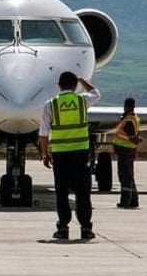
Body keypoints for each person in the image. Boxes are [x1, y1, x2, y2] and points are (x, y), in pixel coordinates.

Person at [39, 71, 101, 240]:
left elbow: (43, 133)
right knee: (82, 191)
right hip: (80, 153)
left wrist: (45, 154)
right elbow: (96, 93)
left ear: (59, 85)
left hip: (60, 155)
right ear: (75, 85)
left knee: (61, 192)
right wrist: (83, 81)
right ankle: (86, 227)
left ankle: (63, 228)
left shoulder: (50, 105)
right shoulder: (82, 101)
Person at [113, 97, 142, 209]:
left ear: (126, 106)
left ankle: (125, 201)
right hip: (128, 150)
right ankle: (134, 200)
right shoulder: (134, 118)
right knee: (129, 176)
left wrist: (134, 139)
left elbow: (131, 136)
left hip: (125, 151)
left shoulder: (129, 120)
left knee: (125, 176)